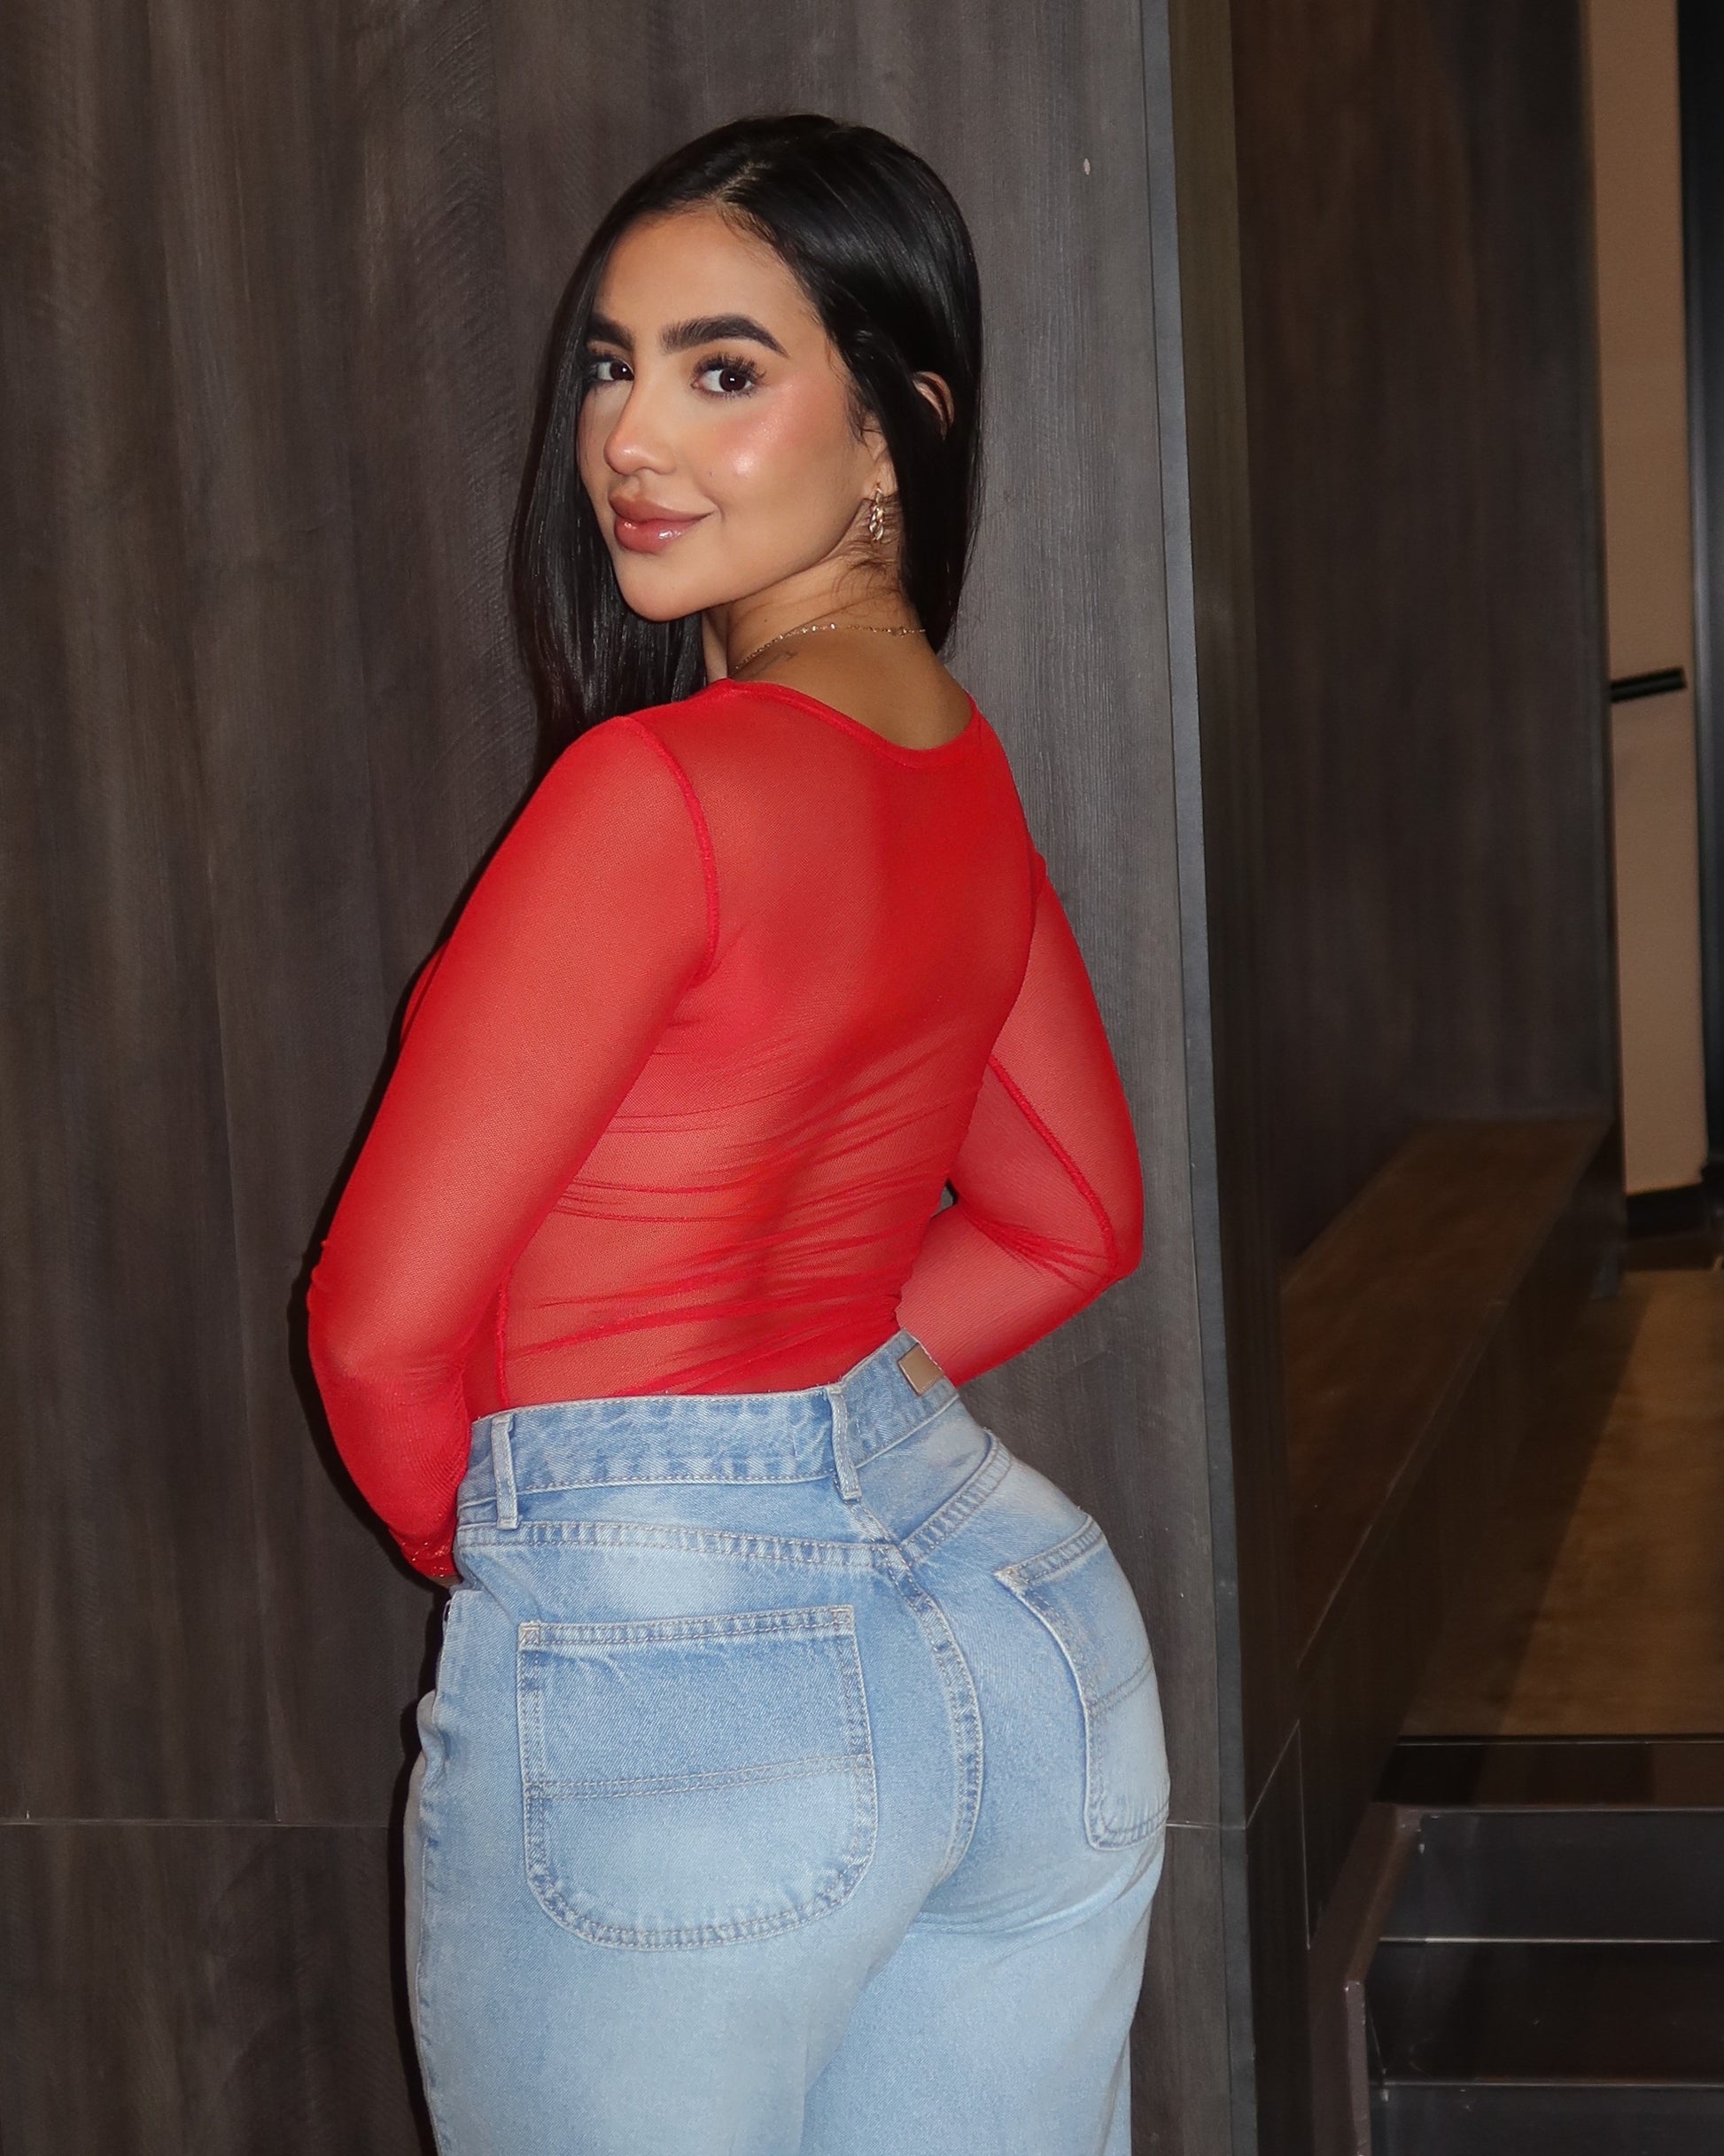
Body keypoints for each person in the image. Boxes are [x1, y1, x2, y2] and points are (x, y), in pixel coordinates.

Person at [306, 113, 1169, 2156]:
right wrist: (794, 1446)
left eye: (723, 370)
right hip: (1014, 1628)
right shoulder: (959, 771)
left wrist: (555, 1526)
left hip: (684, 1687)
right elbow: (1071, 1218)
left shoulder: (654, 796)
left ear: (893, 431)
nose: (632, 436)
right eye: (612, 364)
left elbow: (375, 1328)